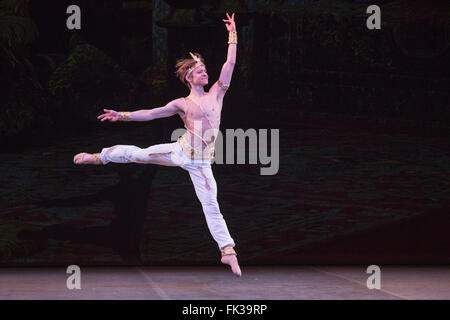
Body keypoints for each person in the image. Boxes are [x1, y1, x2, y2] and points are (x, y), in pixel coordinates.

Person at [73, 13, 242, 277]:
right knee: (140, 155)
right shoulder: (181, 104)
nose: (205, 72)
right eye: (199, 70)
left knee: (211, 205)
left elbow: (230, 62)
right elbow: (152, 113)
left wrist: (232, 34)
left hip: (201, 163)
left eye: (205, 69)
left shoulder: (217, 93)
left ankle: (227, 251)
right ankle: (100, 157)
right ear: (189, 77)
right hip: (180, 151)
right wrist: (122, 115)